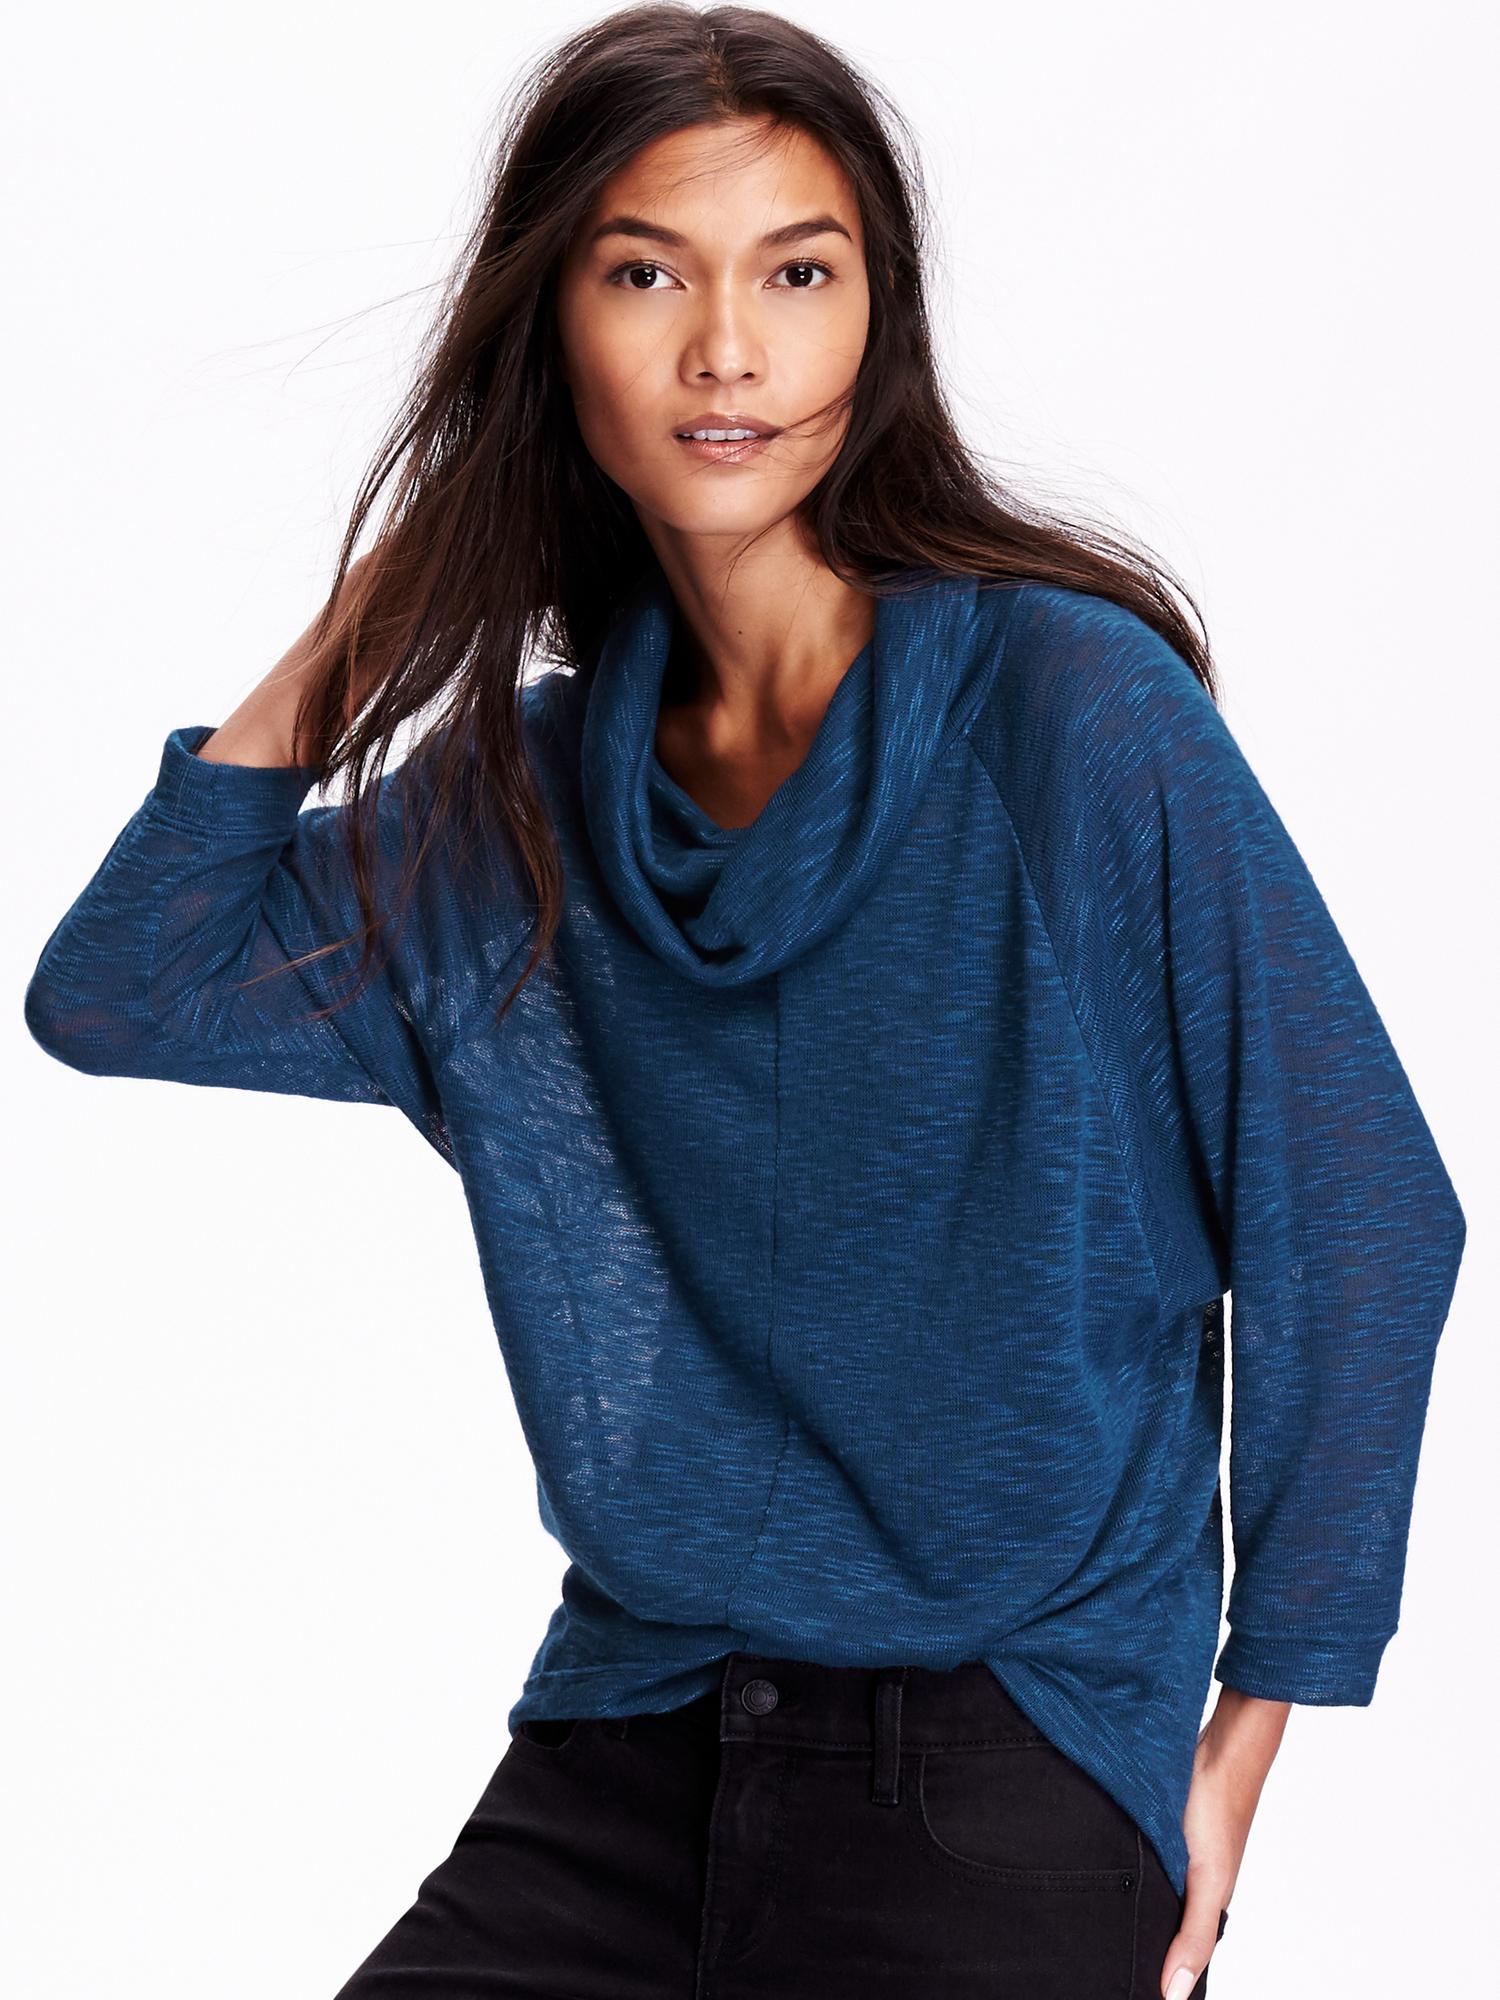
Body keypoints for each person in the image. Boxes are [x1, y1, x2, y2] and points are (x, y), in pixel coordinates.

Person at [23, 8, 1466, 1998]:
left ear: (878, 318)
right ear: (550, 332)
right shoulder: (525, 806)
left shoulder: (1066, 716)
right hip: (627, 1735)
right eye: (646, 276)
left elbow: (1360, 1205)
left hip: (1006, 1750)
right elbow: (128, 986)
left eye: (798, 273)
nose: (728, 350)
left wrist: (1238, 1747)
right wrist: (404, 590)